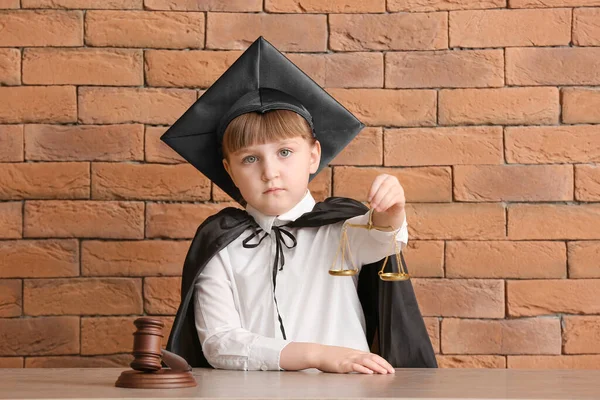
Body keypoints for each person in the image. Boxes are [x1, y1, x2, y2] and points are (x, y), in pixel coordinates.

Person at [161, 37, 437, 374]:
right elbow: (220, 342)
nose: (269, 171)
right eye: (250, 158)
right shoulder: (221, 245)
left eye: (285, 152)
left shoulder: (341, 230)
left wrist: (391, 209)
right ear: (230, 170)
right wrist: (317, 356)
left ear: (314, 155)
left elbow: (383, 237)